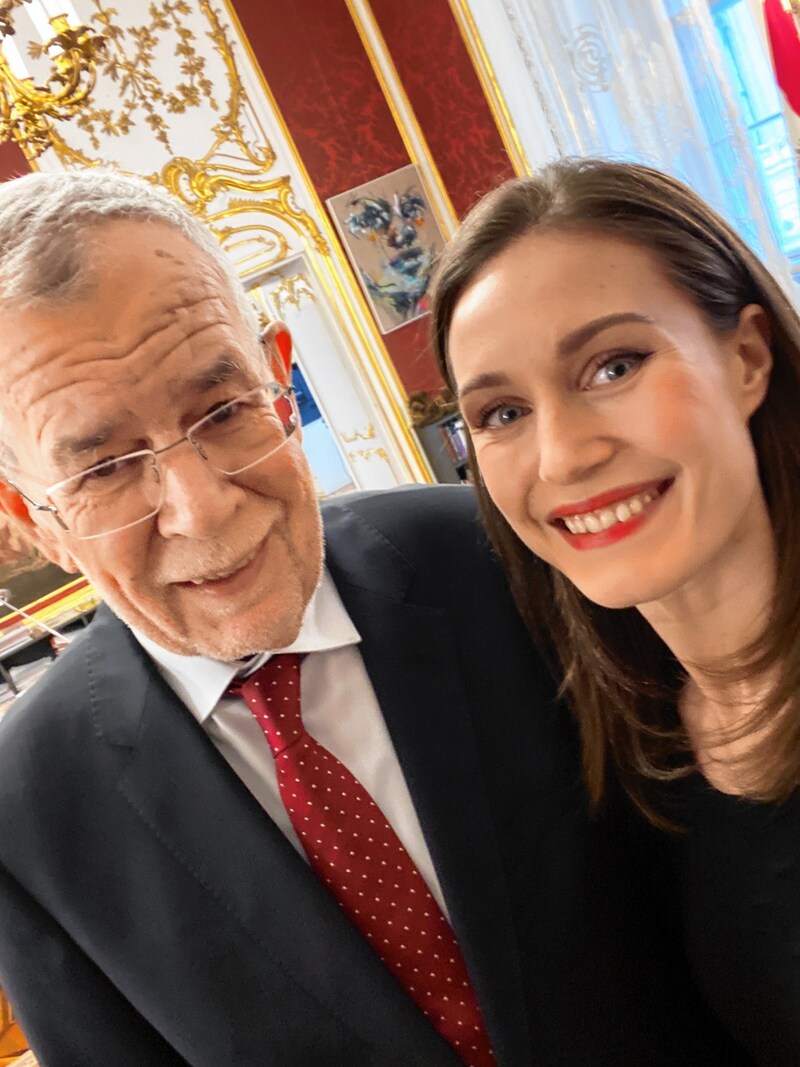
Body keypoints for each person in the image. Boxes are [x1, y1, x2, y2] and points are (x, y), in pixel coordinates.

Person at [0, 169, 747, 1067]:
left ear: (280, 373)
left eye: (227, 409)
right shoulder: (27, 812)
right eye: (106, 469)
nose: (203, 507)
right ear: (32, 516)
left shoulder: (504, 554)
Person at [431, 156, 800, 1067]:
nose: (562, 455)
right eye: (503, 412)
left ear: (747, 358)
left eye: (614, 365)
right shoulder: (632, 740)